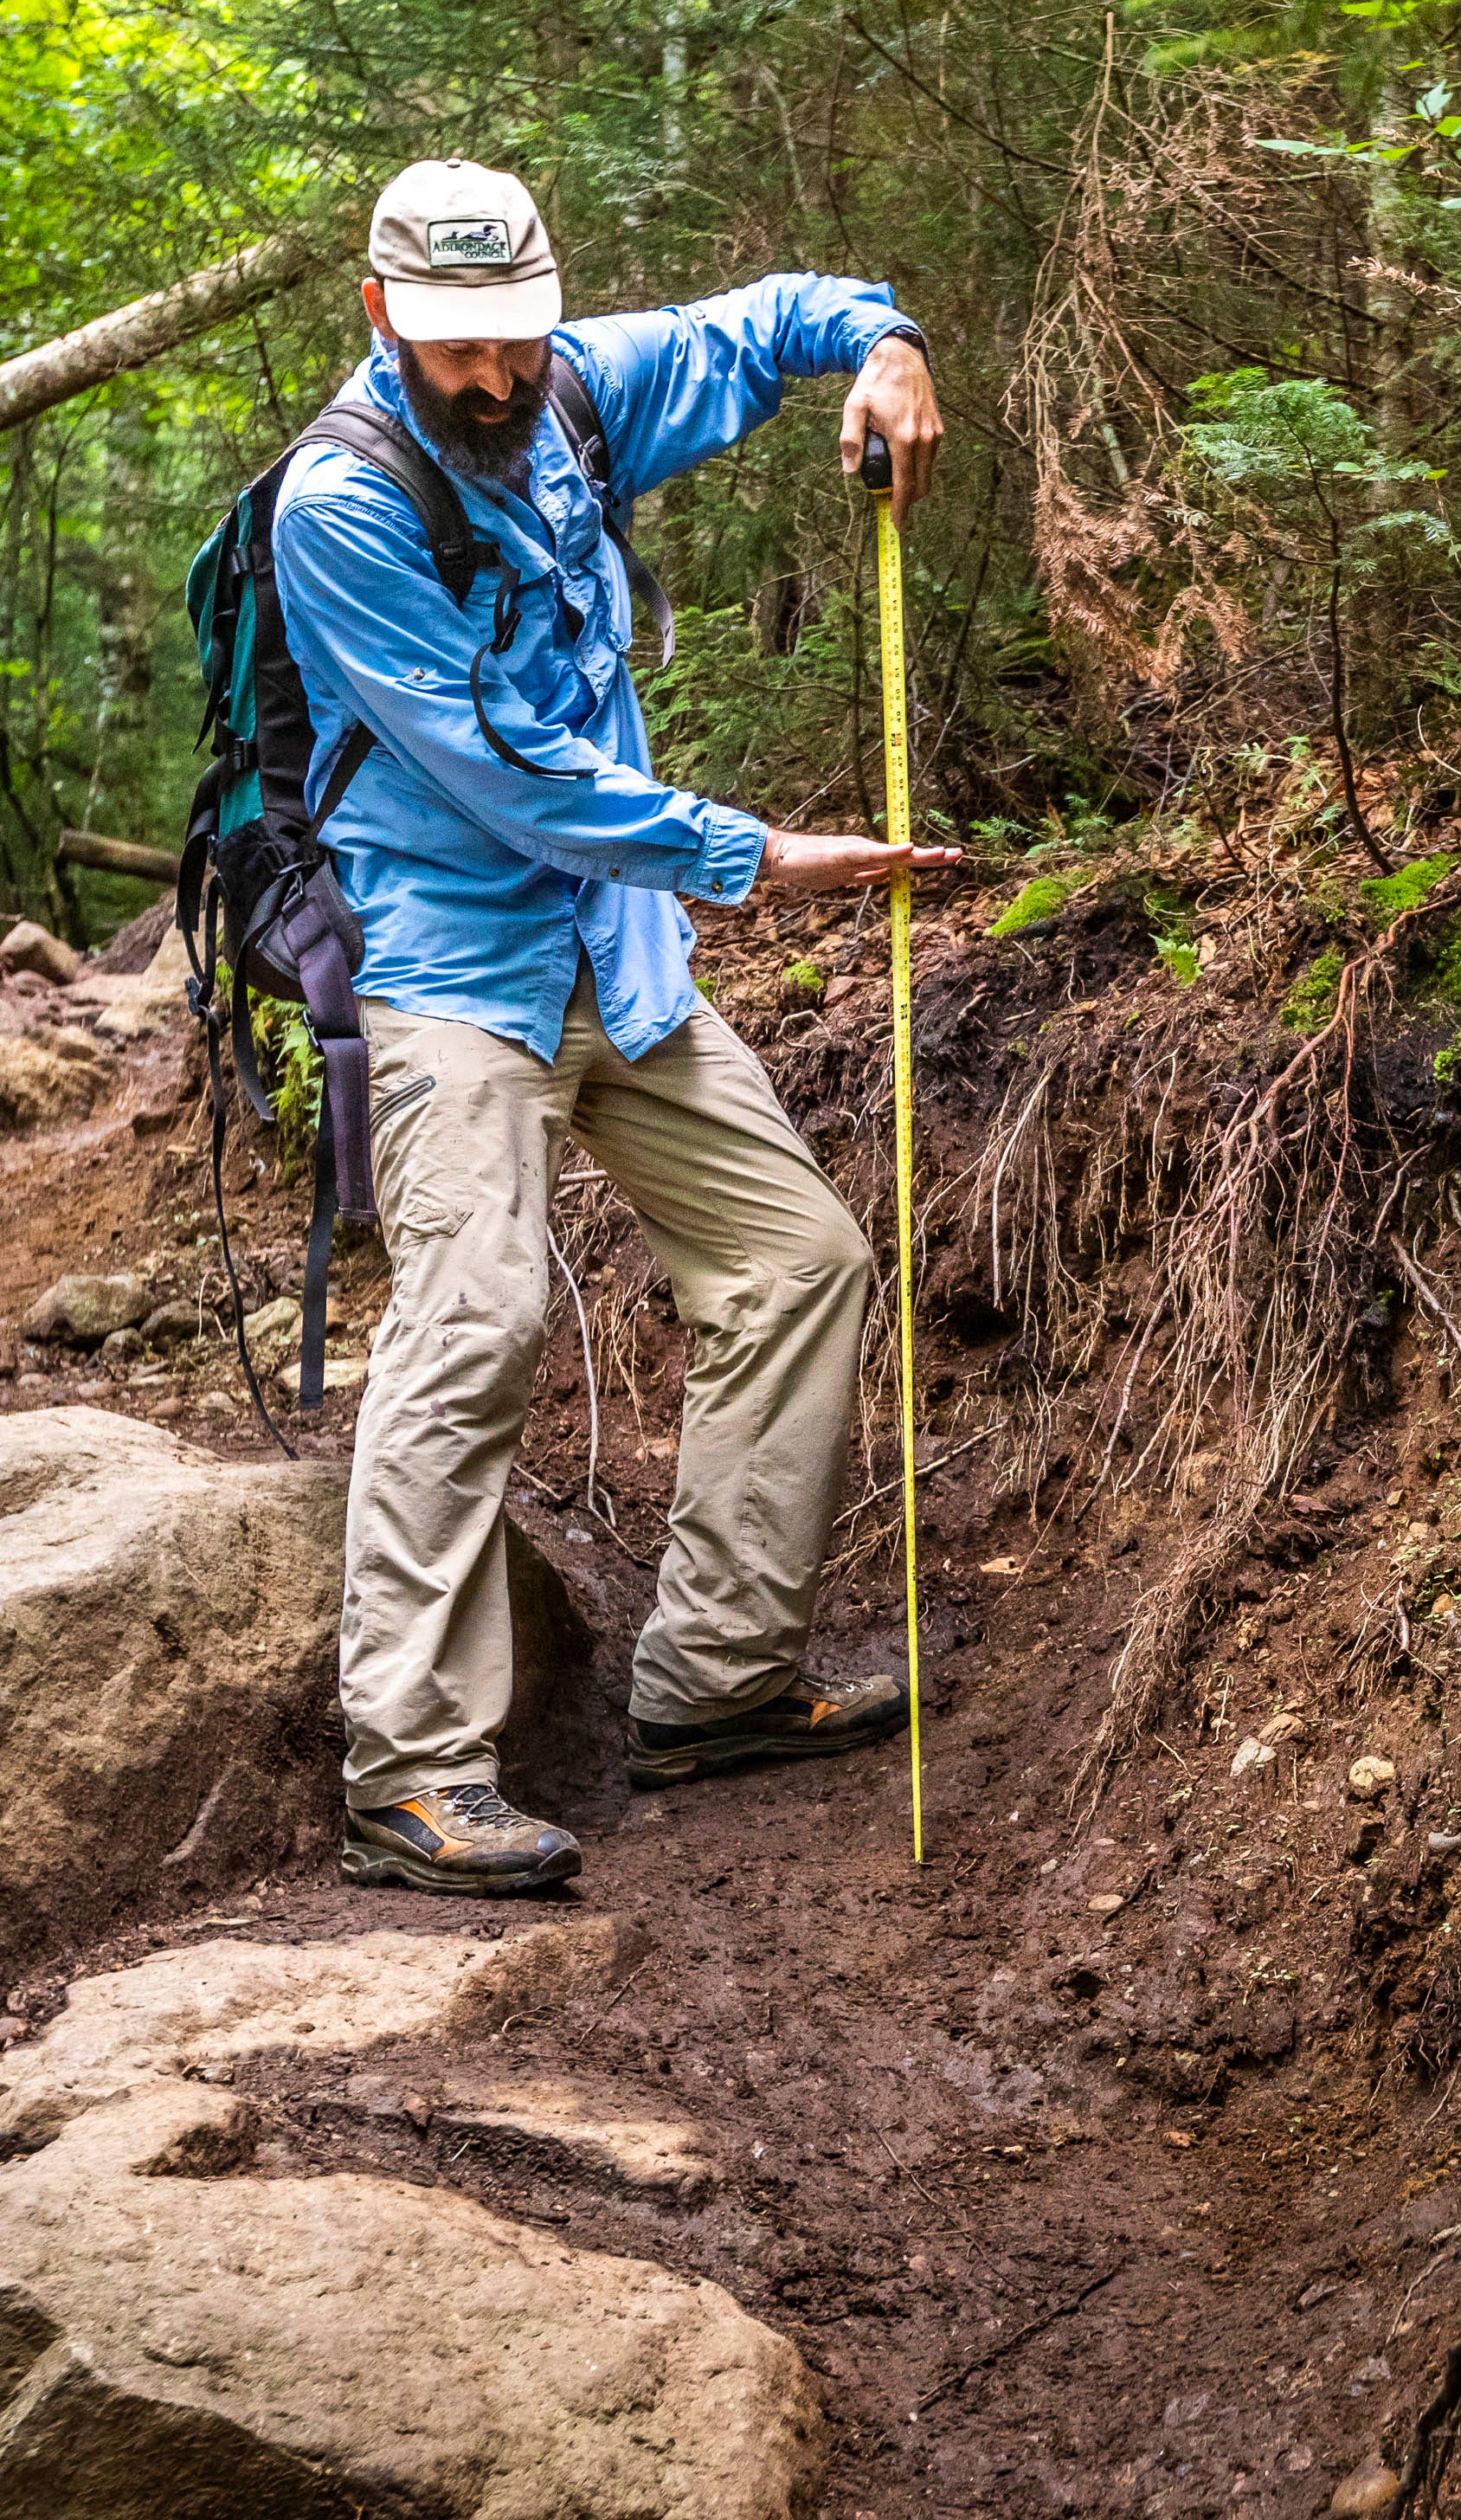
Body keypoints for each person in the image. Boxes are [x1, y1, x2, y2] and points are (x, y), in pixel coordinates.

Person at [273, 158, 959, 1896]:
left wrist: (886, 345)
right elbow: (505, 772)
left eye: (513, 338)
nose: (494, 380)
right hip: (449, 967)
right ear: (380, 319)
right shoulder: (335, 508)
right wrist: (755, 856)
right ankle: (411, 1777)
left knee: (801, 1258)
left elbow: (779, 317)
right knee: (478, 1311)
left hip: (616, 956)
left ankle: (715, 1682)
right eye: (453, 352)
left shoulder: (578, 383)